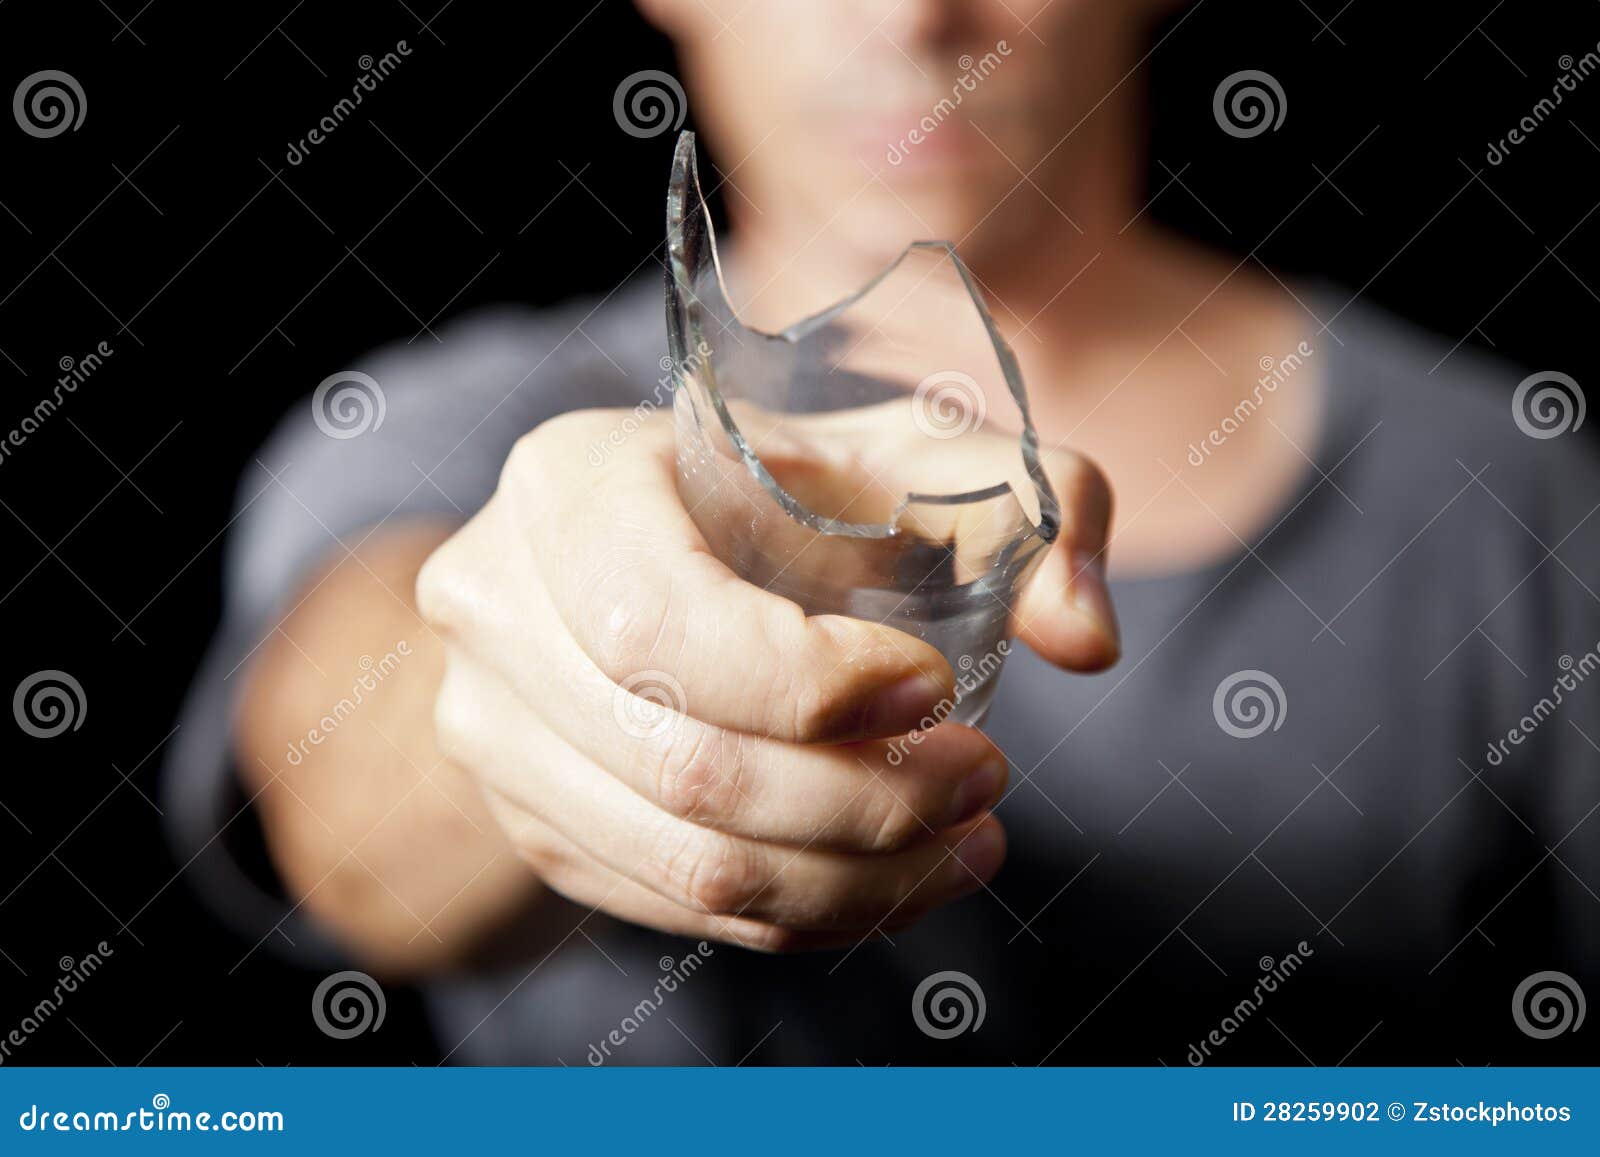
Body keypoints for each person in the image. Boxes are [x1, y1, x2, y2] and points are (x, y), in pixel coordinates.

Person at [168, 0, 1599, 1064]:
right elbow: (344, 805)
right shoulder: (450, 424)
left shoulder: (1506, 478)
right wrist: (529, 687)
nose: (918, 17)